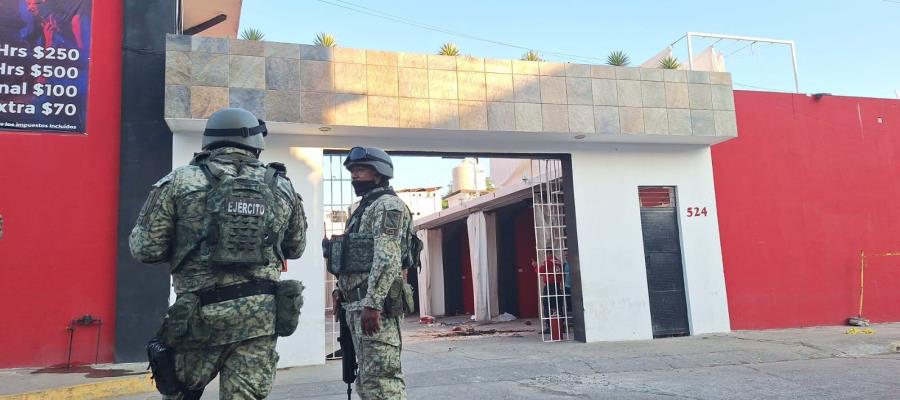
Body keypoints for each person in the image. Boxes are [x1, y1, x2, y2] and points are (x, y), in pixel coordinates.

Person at [130, 107, 307, 399]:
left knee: (181, 394)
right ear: (255, 142)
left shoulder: (179, 181)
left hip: (198, 319)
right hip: (259, 319)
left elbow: (145, 249)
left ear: (209, 138)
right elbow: (295, 247)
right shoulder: (282, 186)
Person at [332, 146, 412, 399]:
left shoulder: (389, 206)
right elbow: (353, 256)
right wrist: (340, 291)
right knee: (367, 380)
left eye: (361, 169)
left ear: (379, 174)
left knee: (383, 381)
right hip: (357, 306)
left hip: (376, 310)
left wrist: (373, 304)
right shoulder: (361, 209)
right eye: (353, 171)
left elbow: (387, 257)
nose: (355, 175)